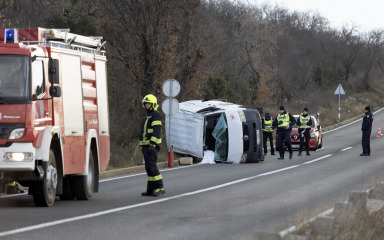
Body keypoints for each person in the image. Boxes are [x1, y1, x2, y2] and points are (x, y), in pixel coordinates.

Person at [139, 94, 165, 196]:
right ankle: (150, 189)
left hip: (152, 146)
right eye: (145, 104)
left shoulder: (155, 115)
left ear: (153, 104)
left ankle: (160, 187)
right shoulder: (147, 116)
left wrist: (152, 144)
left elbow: (156, 131)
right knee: (148, 168)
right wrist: (144, 146)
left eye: (148, 103)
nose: (146, 105)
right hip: (146, 146)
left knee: (152, 167)